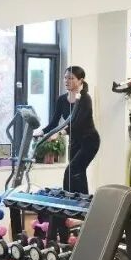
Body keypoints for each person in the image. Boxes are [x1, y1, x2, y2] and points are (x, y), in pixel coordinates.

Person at [36, 66, 100, 195]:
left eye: (71, 78)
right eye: (65, 78)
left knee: (71, 171)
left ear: (80, 80)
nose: (67, 81)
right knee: (78, 173)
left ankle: (67, 200)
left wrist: (59, 134)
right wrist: (41, 132)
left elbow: (78, 123)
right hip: (75, 141)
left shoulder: (85, 99)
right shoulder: (61, 99)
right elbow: (54, 122)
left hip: (89, 141)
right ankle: (82, 201)